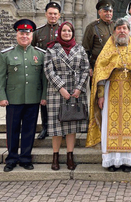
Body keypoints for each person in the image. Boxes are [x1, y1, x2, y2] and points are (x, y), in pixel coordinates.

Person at [86, 18, 131, 172]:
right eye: (118, 28)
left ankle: (127, 161)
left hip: (130, 91)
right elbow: (100, 75)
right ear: (114, 33)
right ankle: (112, 161)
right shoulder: (106, 52)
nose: (121, 31)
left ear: (129, 32)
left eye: (124, 28)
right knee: (109, 125)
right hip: (110, 91)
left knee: (130, 125)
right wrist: (100, 95)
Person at [0, 19, 47, 172]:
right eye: (22, 33)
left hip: (33, 98)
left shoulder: (40, 54)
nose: (25, 36)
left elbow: (44, 78)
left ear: (32, 35)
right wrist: (1, 97)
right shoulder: (6, 55)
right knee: (12, 129)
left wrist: (43, 96)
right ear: (17, 34)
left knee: (29, 130)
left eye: (28, 33)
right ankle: (11, 159)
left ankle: (25, 158)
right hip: (13, 99)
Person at [44, 21, 90, 171]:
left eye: (69, 31)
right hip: (57, 92)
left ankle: (70, 155)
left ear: (73, 33)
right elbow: (49, 71)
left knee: (72, 125)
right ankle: (55, 156)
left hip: (75, 91)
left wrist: (79, 88)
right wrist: (61, 88)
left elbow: (85, 69)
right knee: (57, 127)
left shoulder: (80, 49)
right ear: (59, 32)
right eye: (64, 31)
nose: (66, 33)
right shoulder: (51, 49)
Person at [33, 1, 62, 140]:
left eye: (55, 14)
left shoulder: (65, 31)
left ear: (59, 15)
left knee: (60, 99)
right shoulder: (38, 32)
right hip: (43, 71)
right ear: (46, 14)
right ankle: (45, 127)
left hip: (60, 71)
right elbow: (32, 50)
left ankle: (61, 126)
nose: (52, 16)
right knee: (44, 100)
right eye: (50, 13)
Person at [82, 0, 115, 75]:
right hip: (97, 67)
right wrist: (89, 67)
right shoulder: (92, 27)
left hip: (114, 66)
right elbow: (85, 49)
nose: (108, 13)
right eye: (105, 11)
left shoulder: (116, 26)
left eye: (110, 11)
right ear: (99, 12)